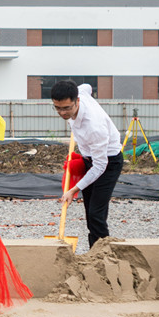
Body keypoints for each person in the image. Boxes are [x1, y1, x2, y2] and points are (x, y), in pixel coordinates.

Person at [50, 81, 125, 248]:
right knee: (89, 210)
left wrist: (73, 190)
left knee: (96, 213)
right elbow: (87, 86)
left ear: (77, 101)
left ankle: (103, 254)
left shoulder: (94, 126)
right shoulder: (81, 93)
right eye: (58, 108)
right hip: (89, 158)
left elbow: (100, 166)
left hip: (108, 162)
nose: (62, 113)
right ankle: (94, 251)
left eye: (67, 108)